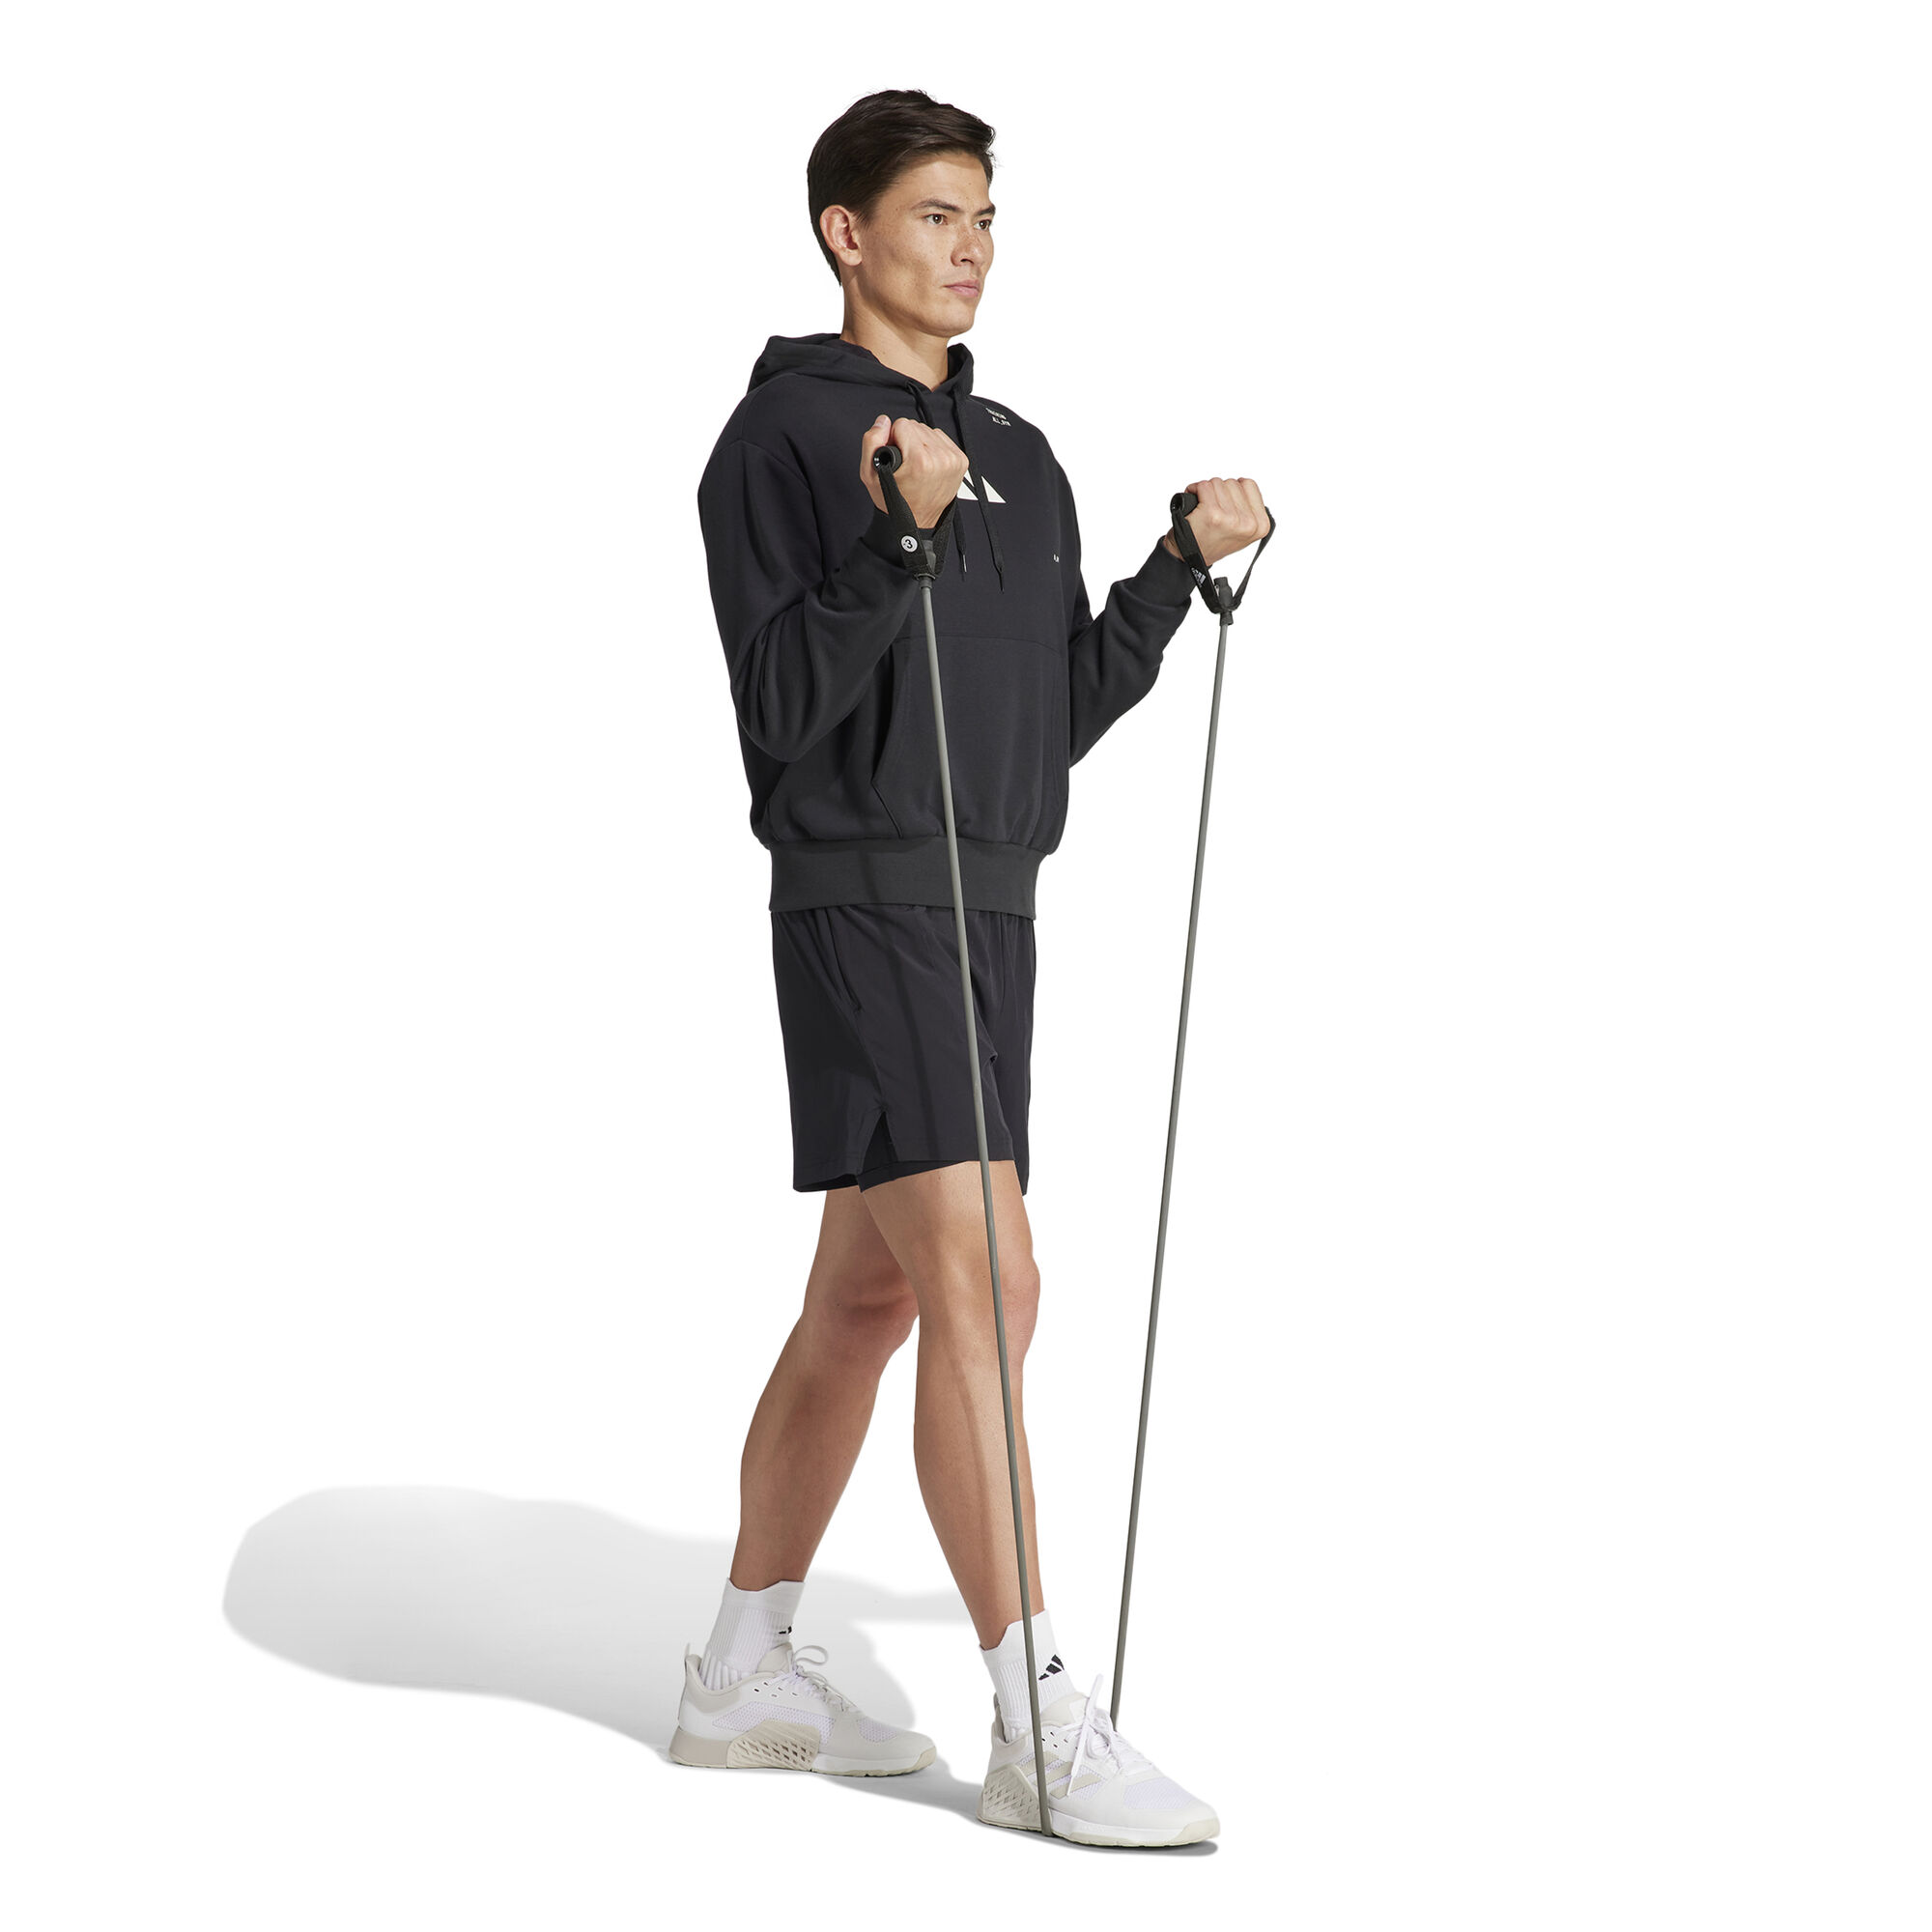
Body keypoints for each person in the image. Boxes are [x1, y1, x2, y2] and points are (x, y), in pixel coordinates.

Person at [677, 88, 1269, 1848]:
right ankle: (1038, 1724)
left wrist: (1168, 572)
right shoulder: (784, 438)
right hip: (863, 896)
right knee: (992, 1280)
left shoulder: (1019, 444)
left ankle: (741, 1667)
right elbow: (780, 711)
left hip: (993, 905)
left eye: (988, 218)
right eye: (938, 215)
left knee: (869, 1303)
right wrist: (898, 535)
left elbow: (1048, 712)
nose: (973, 248)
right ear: (847, 232)